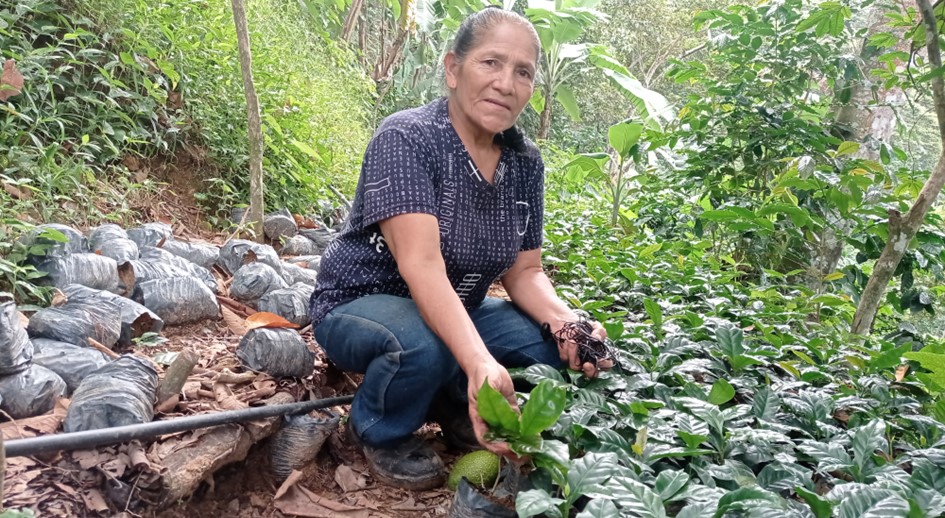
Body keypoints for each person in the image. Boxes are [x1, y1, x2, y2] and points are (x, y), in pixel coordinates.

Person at [309, 6, 609, 491]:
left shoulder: (525, 162)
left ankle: (452, 401)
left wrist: (567, 323)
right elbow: (421, 265)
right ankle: (376, 429)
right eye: (490, 63)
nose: (506, 83)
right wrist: (479, 360)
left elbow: (525, 271)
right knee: (422, 344)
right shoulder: (407, 137)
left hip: (457, 305)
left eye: (523, 71)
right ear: (453, 69)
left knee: (548, 347)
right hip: (362, 304)